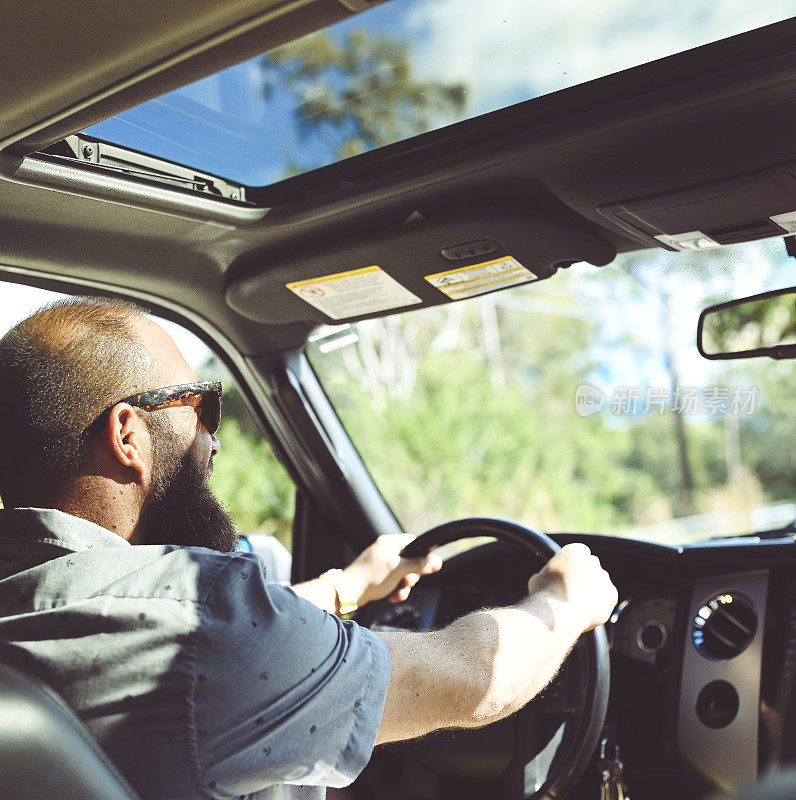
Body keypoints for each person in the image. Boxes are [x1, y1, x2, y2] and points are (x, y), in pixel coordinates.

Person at [0, 298, 618, 799]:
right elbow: (470, 681)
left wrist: (346, 588)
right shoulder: (204, 619)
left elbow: (180, 639)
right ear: (128, 435)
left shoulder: (42, 601)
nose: (214, 444)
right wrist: (564, 603)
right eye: (203, 409)